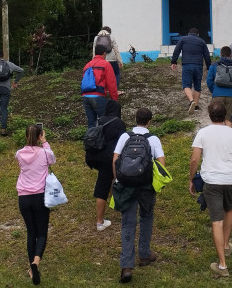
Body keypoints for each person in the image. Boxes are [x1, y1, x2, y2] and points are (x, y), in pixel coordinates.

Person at [188, 101, 232, 277]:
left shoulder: (203, 133)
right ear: (225, 115)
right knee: (229, 210)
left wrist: (192, 178)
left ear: (209, 115)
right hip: (231, 179)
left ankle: (222, 265)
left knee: (216, 220)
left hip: (212, 181)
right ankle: (226, 245)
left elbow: (194, 160)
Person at [112, 108, 165, 284]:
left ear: (135, 120)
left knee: (128, 223)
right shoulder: (154, 139)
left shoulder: (125, 137)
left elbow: (115, 158)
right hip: (146, 187)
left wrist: (118, 179)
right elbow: (161, 163)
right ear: (149, 121)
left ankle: (126, 266)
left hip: (126, 185)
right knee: (147, 217)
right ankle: (144, 254)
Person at [16, 123, 55, 285]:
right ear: (40, 136)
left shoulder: (18, 154)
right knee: (42, 233)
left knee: (31, 232)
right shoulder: (45, 153)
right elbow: (52, 160)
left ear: (26, 136)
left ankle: (32, 269)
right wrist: (45, 142)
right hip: (40, 196)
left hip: (24, 198)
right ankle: (36, 263)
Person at [84, 99, 126, 232]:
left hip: (96, 156)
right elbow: (122, 143)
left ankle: (116, 204)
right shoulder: (119, 123)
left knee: (109, 181)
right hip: (109, 159)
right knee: (102, 187)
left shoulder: (99, 120)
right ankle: (100, 222)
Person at [170, 28, 212, 113]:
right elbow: (207, 55)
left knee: (186, 85)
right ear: (198, 34)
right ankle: (195, 106)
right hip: (198, 66)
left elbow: (177, 50)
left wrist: (174, 61)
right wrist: (208, 66)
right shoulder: (202, 41)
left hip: (187, 65)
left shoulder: (183, 39)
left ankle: (192, 101)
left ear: (189, 33)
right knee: (197, 86)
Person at [206, 45, 232, 129]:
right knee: (228, 120)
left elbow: (209, 80)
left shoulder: (214, 65)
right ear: (230, 55)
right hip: (231, 96)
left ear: (221, 54)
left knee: (216, 120)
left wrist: (213, 90)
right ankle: (229, 140)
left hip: (217, 95)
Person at [81, 44, 119, 128]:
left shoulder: (87, 65)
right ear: (104, 53)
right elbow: (111, 83)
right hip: (98, 96)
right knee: (105, 122)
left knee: (91, 123)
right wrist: (115, 99)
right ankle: (106, 141)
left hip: (85, 96)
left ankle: (90, 140)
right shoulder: (105, 64)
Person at [93, 26, 124, 93]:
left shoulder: (96, 38)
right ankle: (115, 90)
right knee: (116, 73)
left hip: (101, 59)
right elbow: (116, 50)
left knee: (103, 74)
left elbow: (94, 50)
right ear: (109, 32)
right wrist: (120, 61)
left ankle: (104, 90)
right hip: (112, 59)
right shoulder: (111, 38)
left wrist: (94, 61)